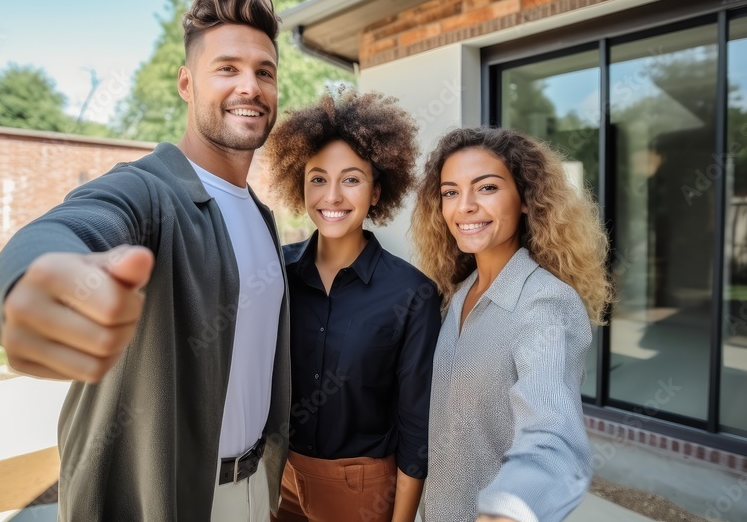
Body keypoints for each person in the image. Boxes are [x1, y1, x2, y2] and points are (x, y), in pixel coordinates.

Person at [0, 0, 291, 522]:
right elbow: (78, 223)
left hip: (252, 491)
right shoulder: (150, 191)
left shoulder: (262, 218)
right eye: (227, 69)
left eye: (264, 71)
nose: (250, 86)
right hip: (162, 504)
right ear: (186, 83)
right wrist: (30, 282)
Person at [410, 127, 613, 522]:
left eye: (486, 188)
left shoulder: (545, 304)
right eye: (450, 192)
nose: (464, 206)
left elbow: (553, 436)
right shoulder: (454, 294)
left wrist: (512, 510)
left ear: (525, 199)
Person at [260, 88, 441, 522]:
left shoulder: (412, 293)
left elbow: (416, 423)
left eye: (352, 179)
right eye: (318, 178)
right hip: (278, 476)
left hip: (361, 490)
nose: (333, 196)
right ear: (299, 185)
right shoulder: (274, 274)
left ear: (377, 192)